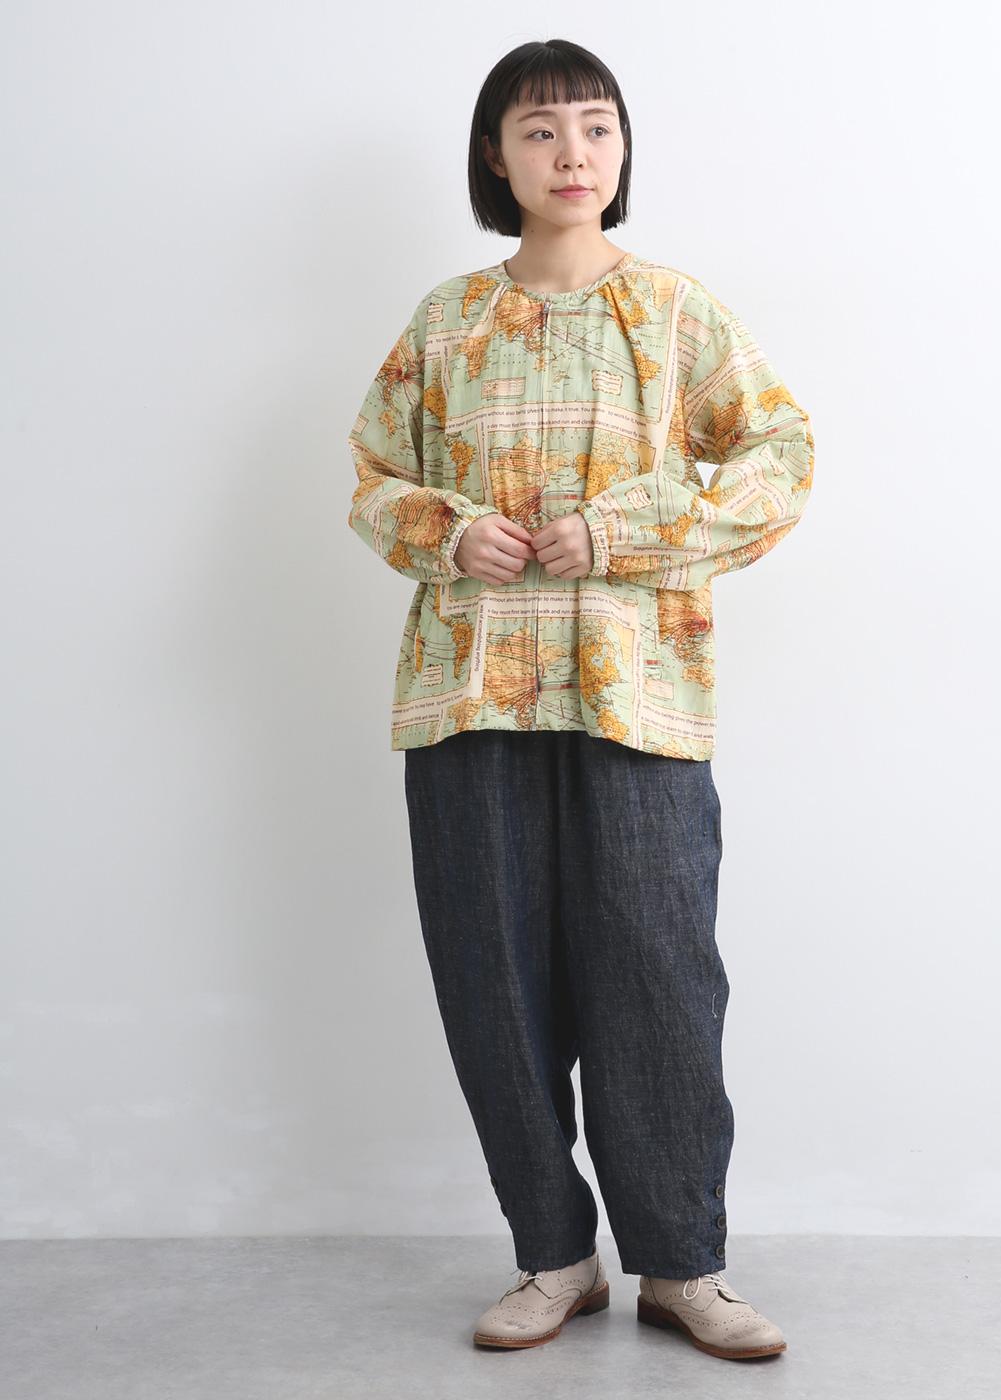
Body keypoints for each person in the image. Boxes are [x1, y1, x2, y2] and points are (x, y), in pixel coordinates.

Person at [345, 38, 814, 1362]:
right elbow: (374, 476)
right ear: (495, 156)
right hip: (469, 696)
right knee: (493, 979)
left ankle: (683, 1264)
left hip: (637, 696)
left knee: (659, 976)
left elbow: (781, 458)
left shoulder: (673, 311)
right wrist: (448, 531)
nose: (573, 154)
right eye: (541, 130)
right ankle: (553, 1257)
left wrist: (622, 532)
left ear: (622, 150)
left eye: (597, 127)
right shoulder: (447, 321)